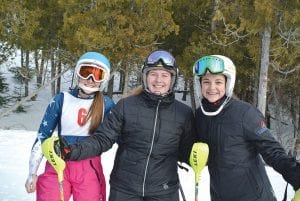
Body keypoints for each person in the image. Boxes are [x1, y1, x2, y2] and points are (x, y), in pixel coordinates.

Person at [59, 49, 196, 201]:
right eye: (153, 74)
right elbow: (102, 139)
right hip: (125, 189)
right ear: (145, 77)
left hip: (164, 190)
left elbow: (188, 152)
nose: (158, 80)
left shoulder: (184, 113)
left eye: (164, 75)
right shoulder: (126, 106)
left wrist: (198, 157)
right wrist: (71, 150)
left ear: (172, 79)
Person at [193, 55, 300, 201]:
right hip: (219, 195)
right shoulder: (200, 116)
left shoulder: (245, 114)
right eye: (206, 82)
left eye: (218, 82)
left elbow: (272, 151)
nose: (212, 87)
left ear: (227, 84)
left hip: (254, 196)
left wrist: (296, 176)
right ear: (200, 84)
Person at [25, 51, 115, 201]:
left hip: (89, 167)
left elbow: (120, 136)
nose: (90, 79)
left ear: (104, 79)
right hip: (58, 162)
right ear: (77, 72)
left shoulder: (107, 104)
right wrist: (32, 172)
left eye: (97, 75)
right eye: (85, 72)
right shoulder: (61, 99)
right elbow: (43, 135)